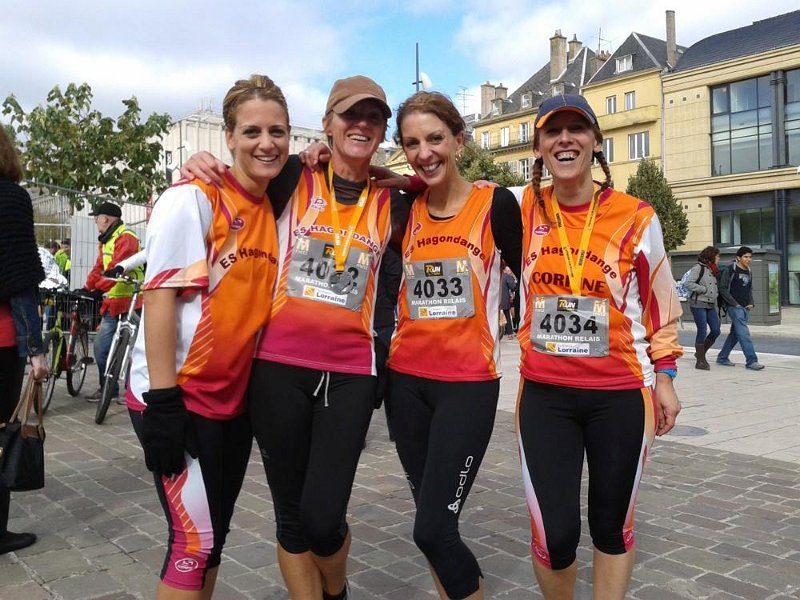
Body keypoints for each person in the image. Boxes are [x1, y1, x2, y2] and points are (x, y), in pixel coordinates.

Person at [125, 73, 286, 599]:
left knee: (212, 542)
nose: (266, 143)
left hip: (231, 404)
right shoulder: (193, 197)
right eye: (252, 131)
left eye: (278, 131)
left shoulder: (271, 204)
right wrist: (163, 400)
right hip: (177, 396)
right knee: (193, 542)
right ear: (229, 137)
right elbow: (160, 297)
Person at [515, 94, 682, 599]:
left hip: (621, 393)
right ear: (538, 147)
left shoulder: (637, 216)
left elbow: (660, 303)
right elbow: (444, 188)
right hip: (545, 394)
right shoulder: (520, 207)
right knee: (555, 535)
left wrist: (666, 376)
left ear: (596, 142)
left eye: (577, 129)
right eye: (553, 131)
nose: (565, 139)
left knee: (611, 525)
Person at [385, 91, 522, 600]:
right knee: (434, 520)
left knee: (432, 530)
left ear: (459, 140)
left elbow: (536, 280)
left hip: (467, 386)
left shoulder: (496, 203)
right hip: (405, 384)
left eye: (435, 138)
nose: (424, 153)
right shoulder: (404, 209)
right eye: (412, 143)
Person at [0, 126, 48, 555]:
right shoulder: (11, 198)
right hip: (1, 340)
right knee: (1, 433)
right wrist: (35, 349)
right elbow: (19, 280)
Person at [83, 202, 143, 401]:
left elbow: (117, 268)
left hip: (134, 301)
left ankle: (133, 392)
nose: (96, 222)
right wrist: (87, 288)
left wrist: (99, 289)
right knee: (101, 348)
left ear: (106, 218)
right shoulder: (107, 240)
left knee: (135, 350)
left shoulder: (126, 237)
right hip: (114, 302)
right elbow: (100, 267)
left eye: (97, 218)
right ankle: (108, 389)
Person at [715, 246, 764, 370]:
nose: (748, 259)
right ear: (738, 257)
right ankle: (751, 361)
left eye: (750, 257)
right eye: (745, 257)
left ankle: (722, 357)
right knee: (744, 333)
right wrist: (734, 304)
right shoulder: (731, 269)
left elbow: (749, 289)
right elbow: (723, 288)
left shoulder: (749, 270)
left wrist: (751, 302)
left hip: (745, 307)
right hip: (734, 307)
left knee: (735, 334)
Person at [683, 246, 721, 370]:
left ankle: (700, 353)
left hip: (710, 304)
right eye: (717, 256)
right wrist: (703, 289)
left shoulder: (713, 269)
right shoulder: (698, 268)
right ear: (711, 256)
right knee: (702, 330)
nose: (719, 258)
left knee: (716, 330)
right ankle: (700, 361)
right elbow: (688, 283)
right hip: (698, 303)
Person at [500, 261, 517, 340]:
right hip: (504, 300)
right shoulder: (506, 276)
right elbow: (513, 286)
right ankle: (510, 333)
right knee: (507, 315)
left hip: (494, 301)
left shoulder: (493, 275)